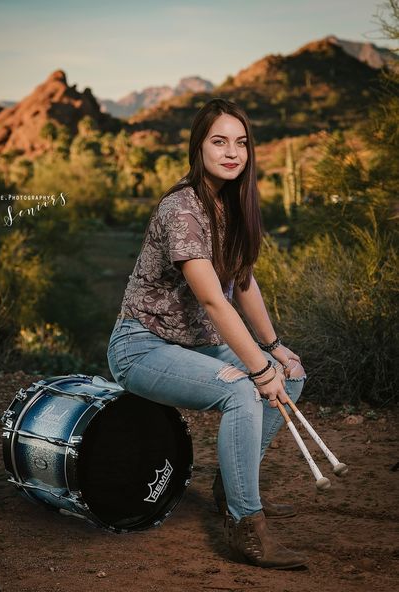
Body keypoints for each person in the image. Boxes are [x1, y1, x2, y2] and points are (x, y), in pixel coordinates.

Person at [106, 98, 309, 569]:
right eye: (219, 141)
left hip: (195, 344)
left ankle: (232, 488)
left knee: (291, 375)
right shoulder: (182, 208)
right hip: (142, 347)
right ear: (198, 147)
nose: (231, 152)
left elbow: (242, 283)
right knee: (243, 390)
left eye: (240, 143)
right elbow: (214, 301)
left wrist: (275, 350)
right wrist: (257, 369)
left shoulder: (233, 203)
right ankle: (246, 527)